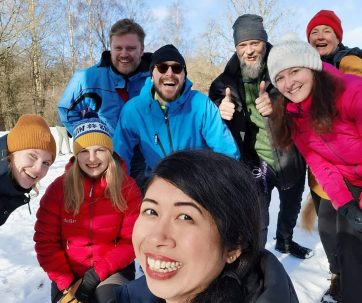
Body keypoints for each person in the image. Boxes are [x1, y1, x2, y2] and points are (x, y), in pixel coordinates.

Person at [114, 149, 299, 303]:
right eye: (151, 211)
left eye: (185, 217)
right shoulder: (133, 296)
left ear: (233, 246)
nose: (156, 237)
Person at [267, 36, 362, 303]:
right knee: (351, 254)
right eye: (280, 77)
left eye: (295, 71)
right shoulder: (292, 114)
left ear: (312, 67)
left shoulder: (352, 91)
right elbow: (320, 162)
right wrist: (345, 204)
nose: (289, 83)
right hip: (348, 184)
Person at [209, 14, 311, 258]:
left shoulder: (285, 71)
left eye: (255, 42)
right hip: (253, 164)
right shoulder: (224, 82)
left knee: (290, 208)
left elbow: (305, 102)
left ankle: (285, 241)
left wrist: (277, 104)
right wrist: (219, 111)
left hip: (290, 156)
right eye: (243, 45)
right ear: (236, 48)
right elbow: (209, 112)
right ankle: (255, 260)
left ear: (265, 43)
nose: (250, 50)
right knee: (256, 218)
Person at [33, 115, 142, 303]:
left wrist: (96, 275)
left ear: (110, 152)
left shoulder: (127, 187)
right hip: (68, 270)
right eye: (84, 151)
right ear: (76, 154)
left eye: (100, 150)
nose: (92, 159)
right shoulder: (59, 189)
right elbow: (46, 242)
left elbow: (132, 240)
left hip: (111, 269)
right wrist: (66, 281)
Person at [113, 44, 240, 182]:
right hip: (156, 183)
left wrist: (223, 185)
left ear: (184, 76)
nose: (170, 73)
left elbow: (226, 152)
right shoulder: (134, 110)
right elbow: (120, 156)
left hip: (196, 183)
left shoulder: (201, 104)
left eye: (177, 68)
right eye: (162, 68)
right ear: (151, 75)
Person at [305, 10, 362, 301]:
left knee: (350, 234)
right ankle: (337, 275)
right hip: (320, 177)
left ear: (338, 36)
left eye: (326, 30)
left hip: (352, 173)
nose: (320, 36)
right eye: (314, 32)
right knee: (328, 232)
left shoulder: (350, 60)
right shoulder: (304, 70)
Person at [58, 18, 152, 134]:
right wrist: (86, 140)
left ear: (142, 50)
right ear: (111, 49)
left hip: (147, 151)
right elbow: (66, 110)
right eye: (118, 48)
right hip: (106, 150)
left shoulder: (157, 79)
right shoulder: (87, 78)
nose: (124, 54)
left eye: (131, 48)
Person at [0, 114, 56, 226]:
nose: (38, 169)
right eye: (32, 156)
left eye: (46, 163)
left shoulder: (9, 187)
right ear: (11, 153)